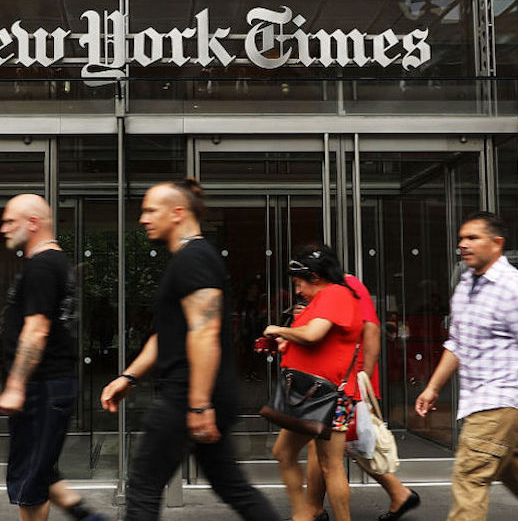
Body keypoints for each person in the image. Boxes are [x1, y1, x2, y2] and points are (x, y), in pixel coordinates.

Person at [100, 178, 275, 521]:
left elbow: (204, 331)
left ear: (177, 213)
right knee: (231, 486)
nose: (143, 219)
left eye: (151, 210)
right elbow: (166, 335)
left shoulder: (194, 259)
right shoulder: (188, 259)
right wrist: (128, 377)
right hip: (196, 396)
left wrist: (198, 405)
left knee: (143, 487)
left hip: (185, 396)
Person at [413, 212, 518, 521]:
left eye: (473, 238)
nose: (463, 244)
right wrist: (432, 387)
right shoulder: (466, 285)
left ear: (497, 243)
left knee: (469, 475)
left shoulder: (517, 290)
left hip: (502, 400)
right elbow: (457, 343)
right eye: (461, 239)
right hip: (479, 399)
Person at [0, 194, 107, 521]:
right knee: (41, 469)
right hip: (48, 384)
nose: (3, 228)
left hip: (41, 386)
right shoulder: (54, 262)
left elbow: (36, 330)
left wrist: (16, 385)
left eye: (10, 221)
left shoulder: (43, 266)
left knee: (31, 481)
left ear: (33, 223)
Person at [305, 273, 420, 521]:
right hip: (340, 379)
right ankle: (399, 493)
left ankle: (312, 511)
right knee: (340, 444)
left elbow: (371, 329)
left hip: (350, 380)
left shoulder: (348, 283)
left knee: (329, 444)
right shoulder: (329, 289)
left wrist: (362, 379)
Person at [262, 244, 359, 521]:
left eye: (299, 283)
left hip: (329, 394)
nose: (297, 291)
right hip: (312, 393)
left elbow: (314, 334)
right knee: (284, 452)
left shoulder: (334, 293)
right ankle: (302, 516)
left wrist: (279, 329)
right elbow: (315, 340)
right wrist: (286, 343)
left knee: (330, 465)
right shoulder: (326, 298)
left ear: (315, 277)